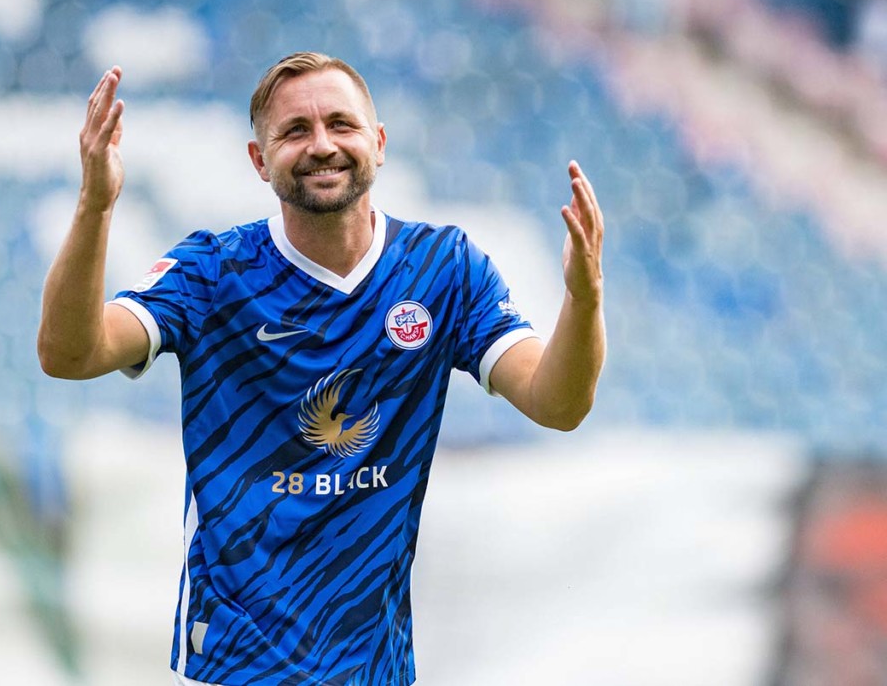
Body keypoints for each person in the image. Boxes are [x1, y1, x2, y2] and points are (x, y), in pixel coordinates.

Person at [38, 52, 606, 686]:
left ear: (379, 142)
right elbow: (70, 354)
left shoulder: (444, 268)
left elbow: (558, 404)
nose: (322, 145)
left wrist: (584, 301)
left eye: (341, 124)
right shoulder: (213, 271)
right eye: (294, 131)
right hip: (234, 667)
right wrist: (94, 206)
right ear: (259, 159)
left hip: (375, 670)